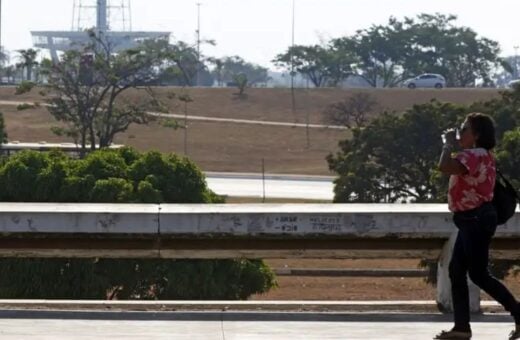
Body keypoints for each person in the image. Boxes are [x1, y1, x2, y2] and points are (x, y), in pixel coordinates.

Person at [435, 112, 520, 340]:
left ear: (477, 135)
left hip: (475, 220)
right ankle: (461, 327)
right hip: (471, 220)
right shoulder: (481, 155)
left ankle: (518, 313)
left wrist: (448, 144)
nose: (460, 133)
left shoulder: (472, 155)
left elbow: (445, 166)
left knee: (479, 275)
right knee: (457, 271)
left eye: (464, 129)